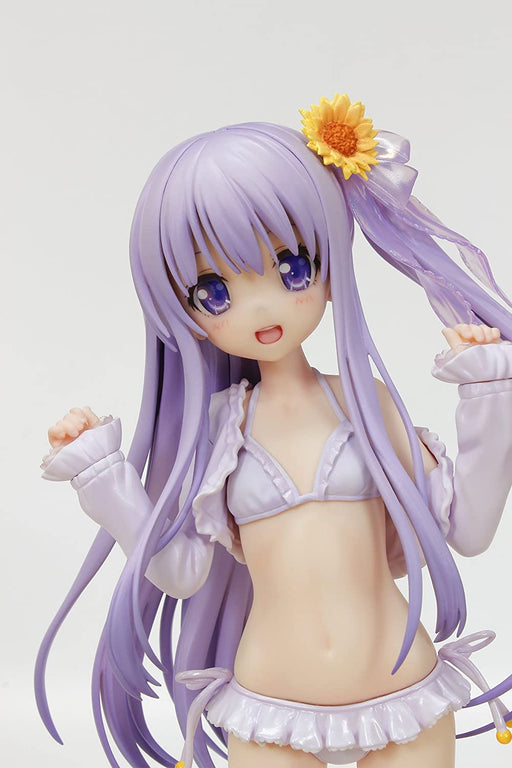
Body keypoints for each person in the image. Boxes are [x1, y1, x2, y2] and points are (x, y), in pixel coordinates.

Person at [36, 94, 512, 767]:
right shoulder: (217, 434)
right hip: (270, 709)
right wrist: (102, 475)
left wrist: (487, 391)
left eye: (292, 269)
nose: (263, 307)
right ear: (183, 310)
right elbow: (180, 570)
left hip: (404, 694)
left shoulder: (366, 403)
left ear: (329, 261)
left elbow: (467, 527)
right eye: (214, 292)